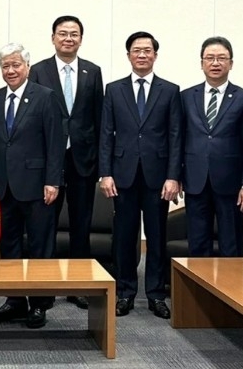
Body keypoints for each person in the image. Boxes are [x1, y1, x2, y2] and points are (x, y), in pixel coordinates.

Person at [0, 43, 65, 329]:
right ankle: (14, 300)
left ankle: (39, 304)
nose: (10, 71)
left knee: (39, 246)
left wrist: (52, 180)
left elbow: (55, 142)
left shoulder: (45, 97)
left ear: (27, 67)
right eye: (5, 66)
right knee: (7, 244)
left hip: (38, 186)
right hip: (4, 186)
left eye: (16, 65)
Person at [99, 31, 181, 320]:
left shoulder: (170, 90)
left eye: (147, 50)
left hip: (158, 177)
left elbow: (175, 136)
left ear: (155, 55)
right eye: (137, 50)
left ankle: (156, 295)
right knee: (124, 237)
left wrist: (174, 176)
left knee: (157, 237)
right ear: (129, 55)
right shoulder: (114, 89)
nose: (142, 55)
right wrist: (105, 173)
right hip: (122, 175)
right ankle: (124, 292)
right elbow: (106, 134)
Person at [28, 16, 103, 310]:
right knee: (44, 225)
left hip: (83, 160)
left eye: (74, 34)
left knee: (80, 225)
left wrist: (100, 161)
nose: (68, 38)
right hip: (49, 161)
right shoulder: (38, 71)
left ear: (81, 39)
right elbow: (32, 118)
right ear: (53, 38)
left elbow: (99, 119)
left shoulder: (92, 71)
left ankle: (78, 287)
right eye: (63, 33)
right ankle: (44, 290)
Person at [180, 37, 243, 257]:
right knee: (197, 243)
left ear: (231, 63)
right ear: (201, 62)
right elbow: (178, 140)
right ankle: (199, 291)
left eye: (221, 58)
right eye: (210, 58)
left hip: (231, 184)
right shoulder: (186, 97)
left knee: (231, 244)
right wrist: (176, 176)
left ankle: (228, 291)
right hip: (195, 181)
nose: (215, 63)